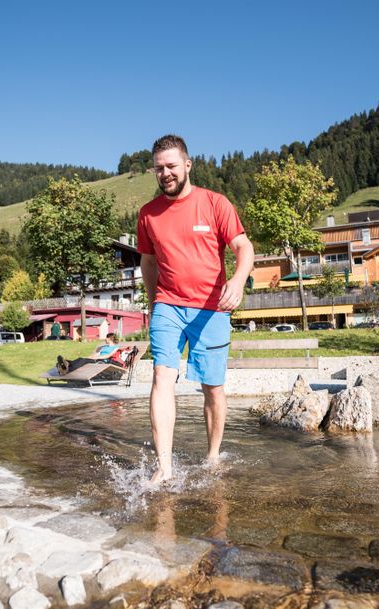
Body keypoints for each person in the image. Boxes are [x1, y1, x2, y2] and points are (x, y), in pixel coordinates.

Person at [137, 134, 254, 484]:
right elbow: (148, 263)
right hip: (168, 306)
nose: (166, 173)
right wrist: (153, 303)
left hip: (211, 308)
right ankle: (165, 466)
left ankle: (213, 454)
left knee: (212, 387)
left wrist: (237, 281)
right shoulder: (148, 214)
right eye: (159, 168)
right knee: (162, 376)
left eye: (171, 166)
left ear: (187, 165)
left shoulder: (215, 203)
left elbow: (243, 247)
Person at [56, 333, 126, 374]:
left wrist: (96, 357)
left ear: (110, 339)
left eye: (106, 338)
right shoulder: (104, 347)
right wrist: (89, 357)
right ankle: (66, 363)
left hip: (103, 361)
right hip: (97, 359)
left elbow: (108, 355)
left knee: (84, 361)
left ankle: (67, 369)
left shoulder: (115, 347)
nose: (105, 339)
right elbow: (97, 354)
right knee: (81, 358)